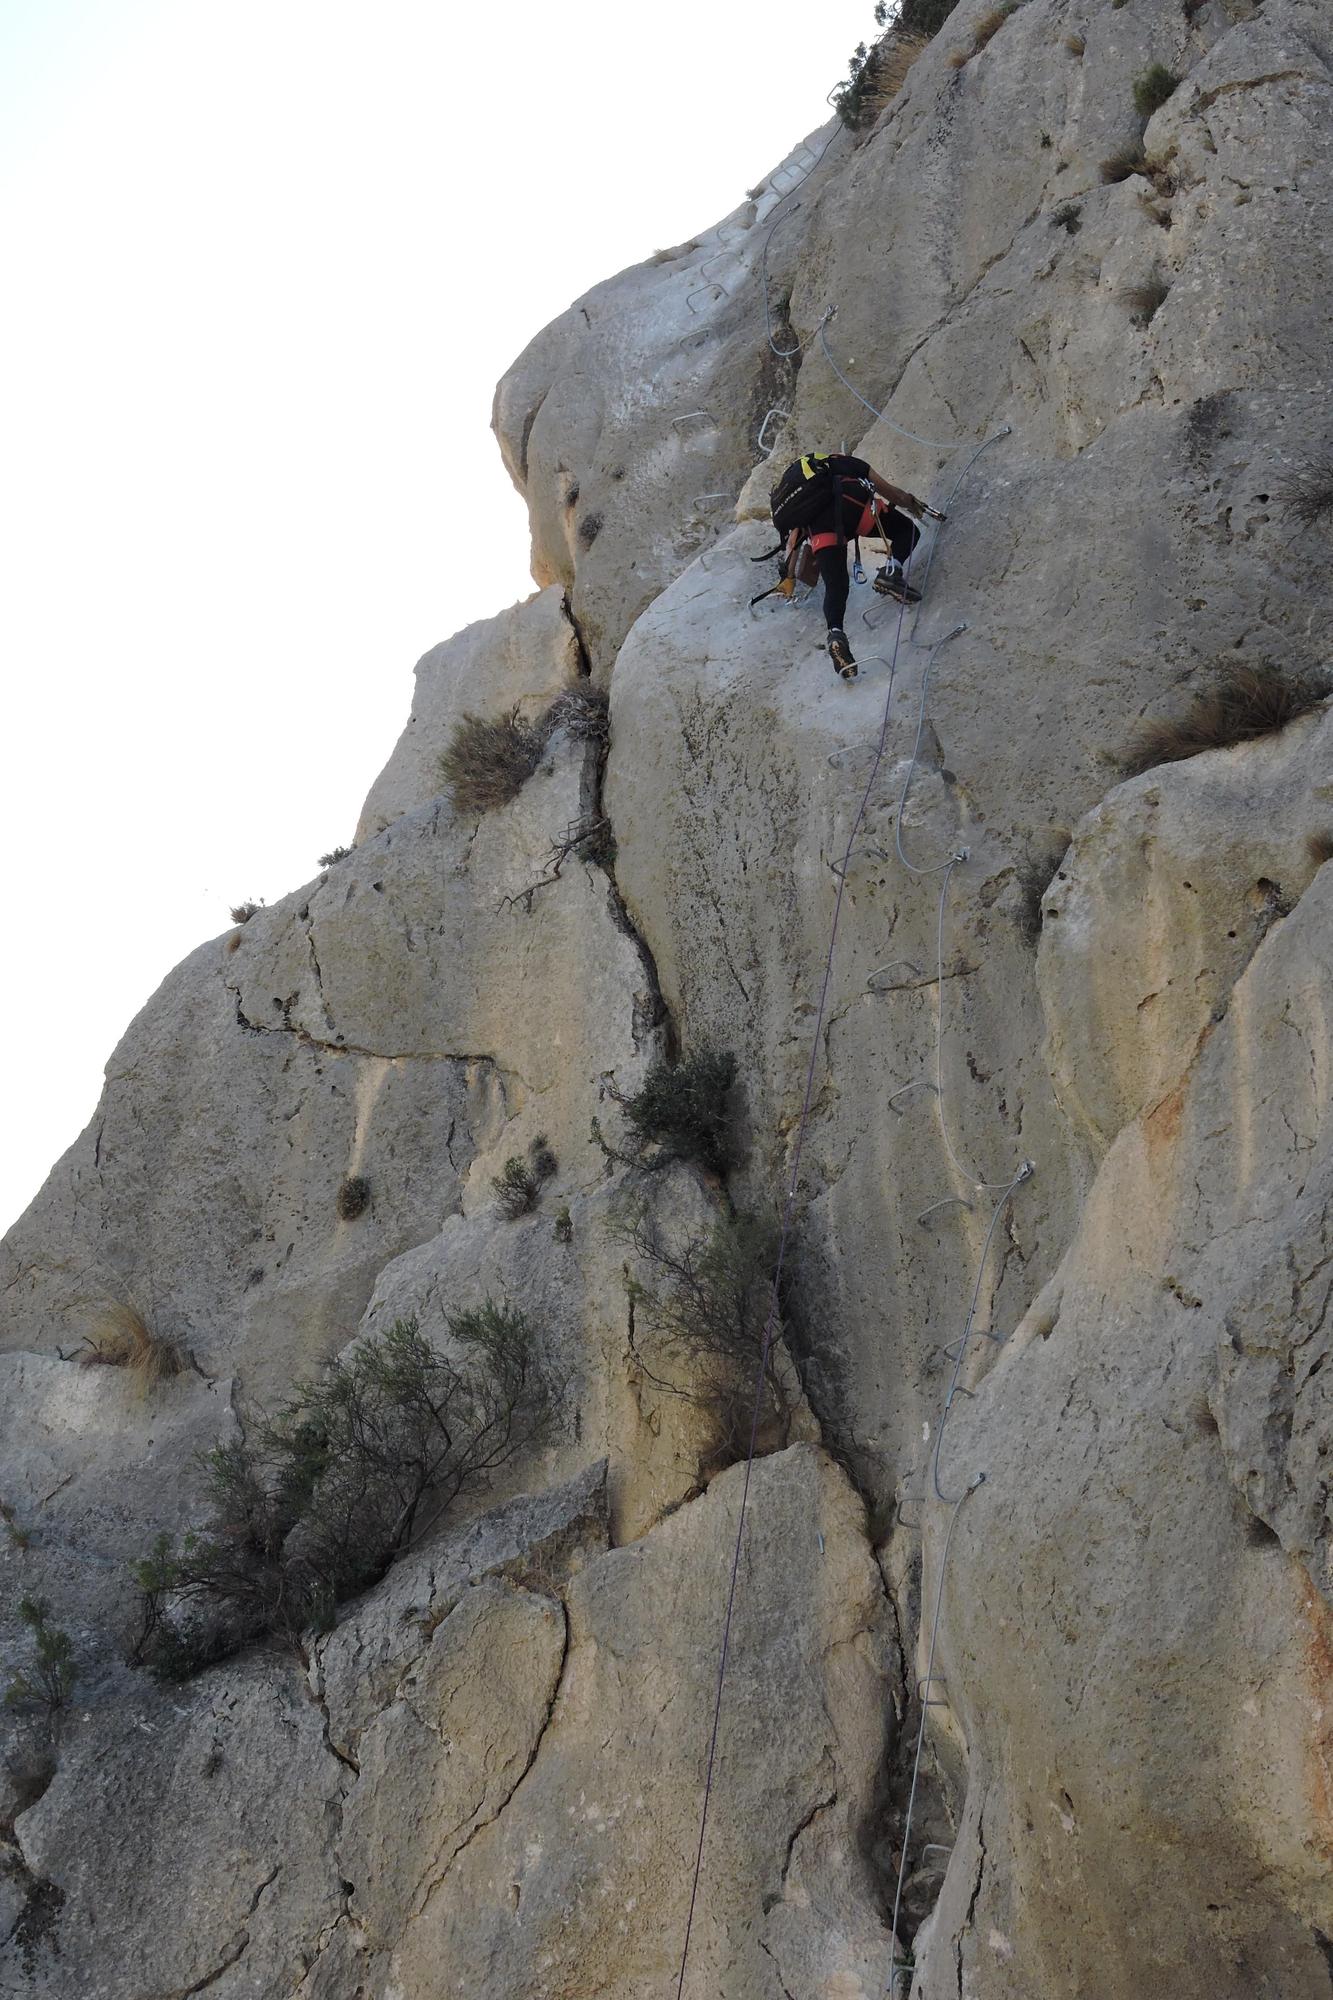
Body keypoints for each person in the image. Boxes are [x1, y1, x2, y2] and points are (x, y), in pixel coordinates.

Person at [764, 452, 943, 682]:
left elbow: (793, 542)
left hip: (821, 531)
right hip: (853, 509)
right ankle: (891, 572)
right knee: (907, 531)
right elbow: (889, 491)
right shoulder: (836, 462)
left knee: (836, 586)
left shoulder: (801, 499)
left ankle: (836, 634)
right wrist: (910, 502)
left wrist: (788, 579)